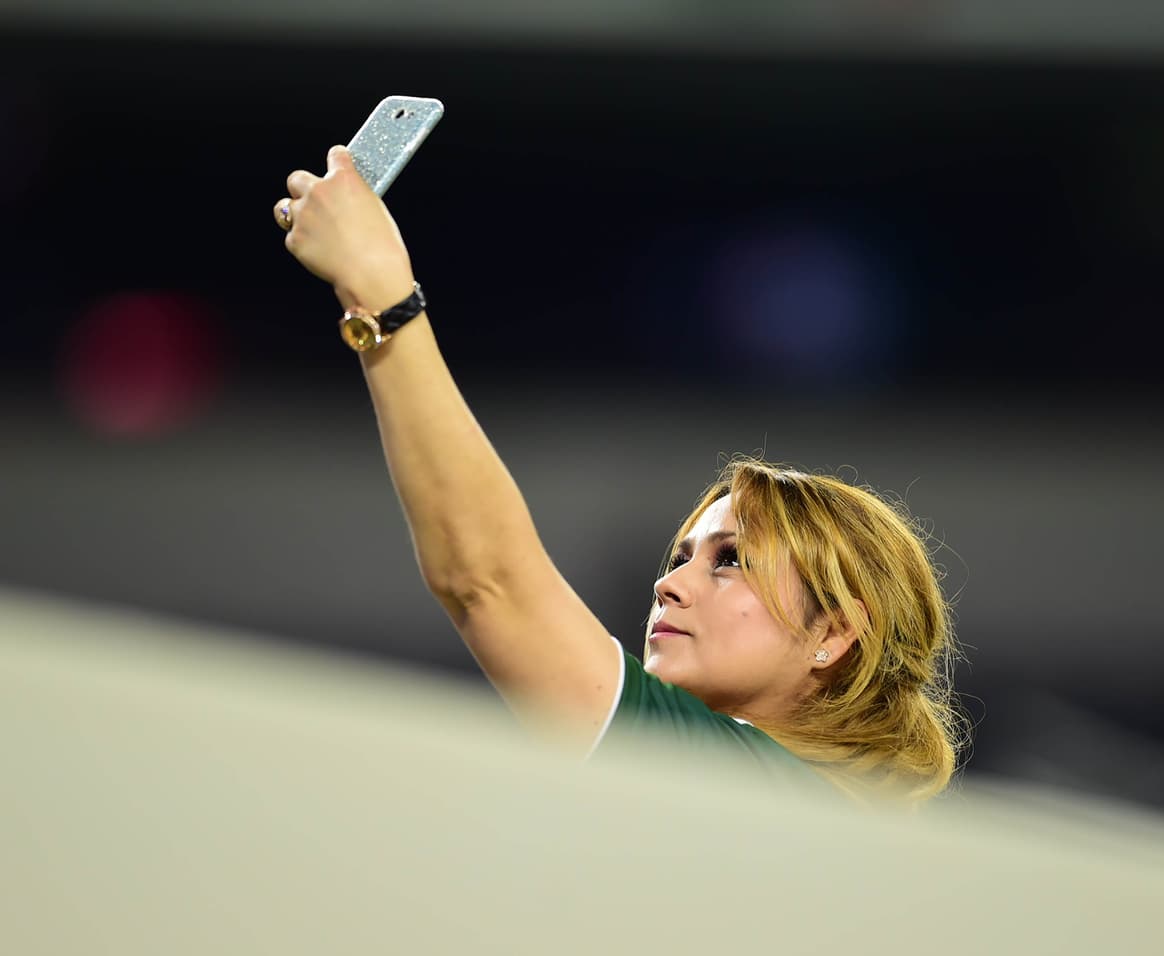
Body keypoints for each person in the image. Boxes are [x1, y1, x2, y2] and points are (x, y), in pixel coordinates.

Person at [274, 146, 964, 802]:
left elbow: (485, 581)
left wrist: (381, 293)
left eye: (733, 560)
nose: (670, 584)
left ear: (835, 634)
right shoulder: (786, 799)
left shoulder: (751, 778)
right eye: (681, 557)